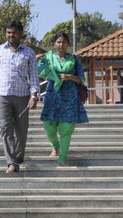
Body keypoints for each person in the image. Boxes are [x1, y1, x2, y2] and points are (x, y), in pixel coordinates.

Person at [0, 20, 40, 174]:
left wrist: (34, 95)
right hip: (2, 96)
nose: (11, 35)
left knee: (22, 131)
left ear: (20, 33)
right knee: (6, 129)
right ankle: (11, 162)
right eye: (8, 32)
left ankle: (19, 156)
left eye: (14, 32)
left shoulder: (28, 52)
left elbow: (34, 76)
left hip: (22, 96)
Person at [38, 33, 89, 167]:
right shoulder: (48, 58)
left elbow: (82, 79)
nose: (61, 45)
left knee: (66, 129)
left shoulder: (75, 60)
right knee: (49, 127)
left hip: (69, 98)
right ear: (54, 44)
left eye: (64, 42)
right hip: (52, 96)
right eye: (58, 42)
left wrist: (70, 77)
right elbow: (38, 72)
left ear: (68, 44)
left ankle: (62, 159)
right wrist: (36, 60)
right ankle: (55, 146)